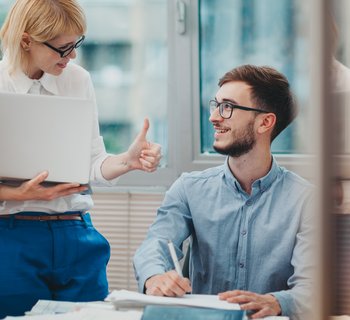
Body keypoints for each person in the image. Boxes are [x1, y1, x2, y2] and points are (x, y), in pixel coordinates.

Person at [0, 0, 161, 317]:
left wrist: (127, 160)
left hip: (77, 233)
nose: (72, 56)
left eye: (77, 44)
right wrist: (16, 194)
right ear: (26, 40)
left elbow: (91, 164)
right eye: (63, 48)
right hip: (12, 235)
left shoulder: (77, 79)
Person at [133, 65, 315, 320]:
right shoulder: (189, 188)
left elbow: (313, 289)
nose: (214, 117)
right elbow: (155, 244)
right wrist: (155, 277)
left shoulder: (307, 201)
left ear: (265, 122)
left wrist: (276, 301)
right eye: (215, 105)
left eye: (227, 107)